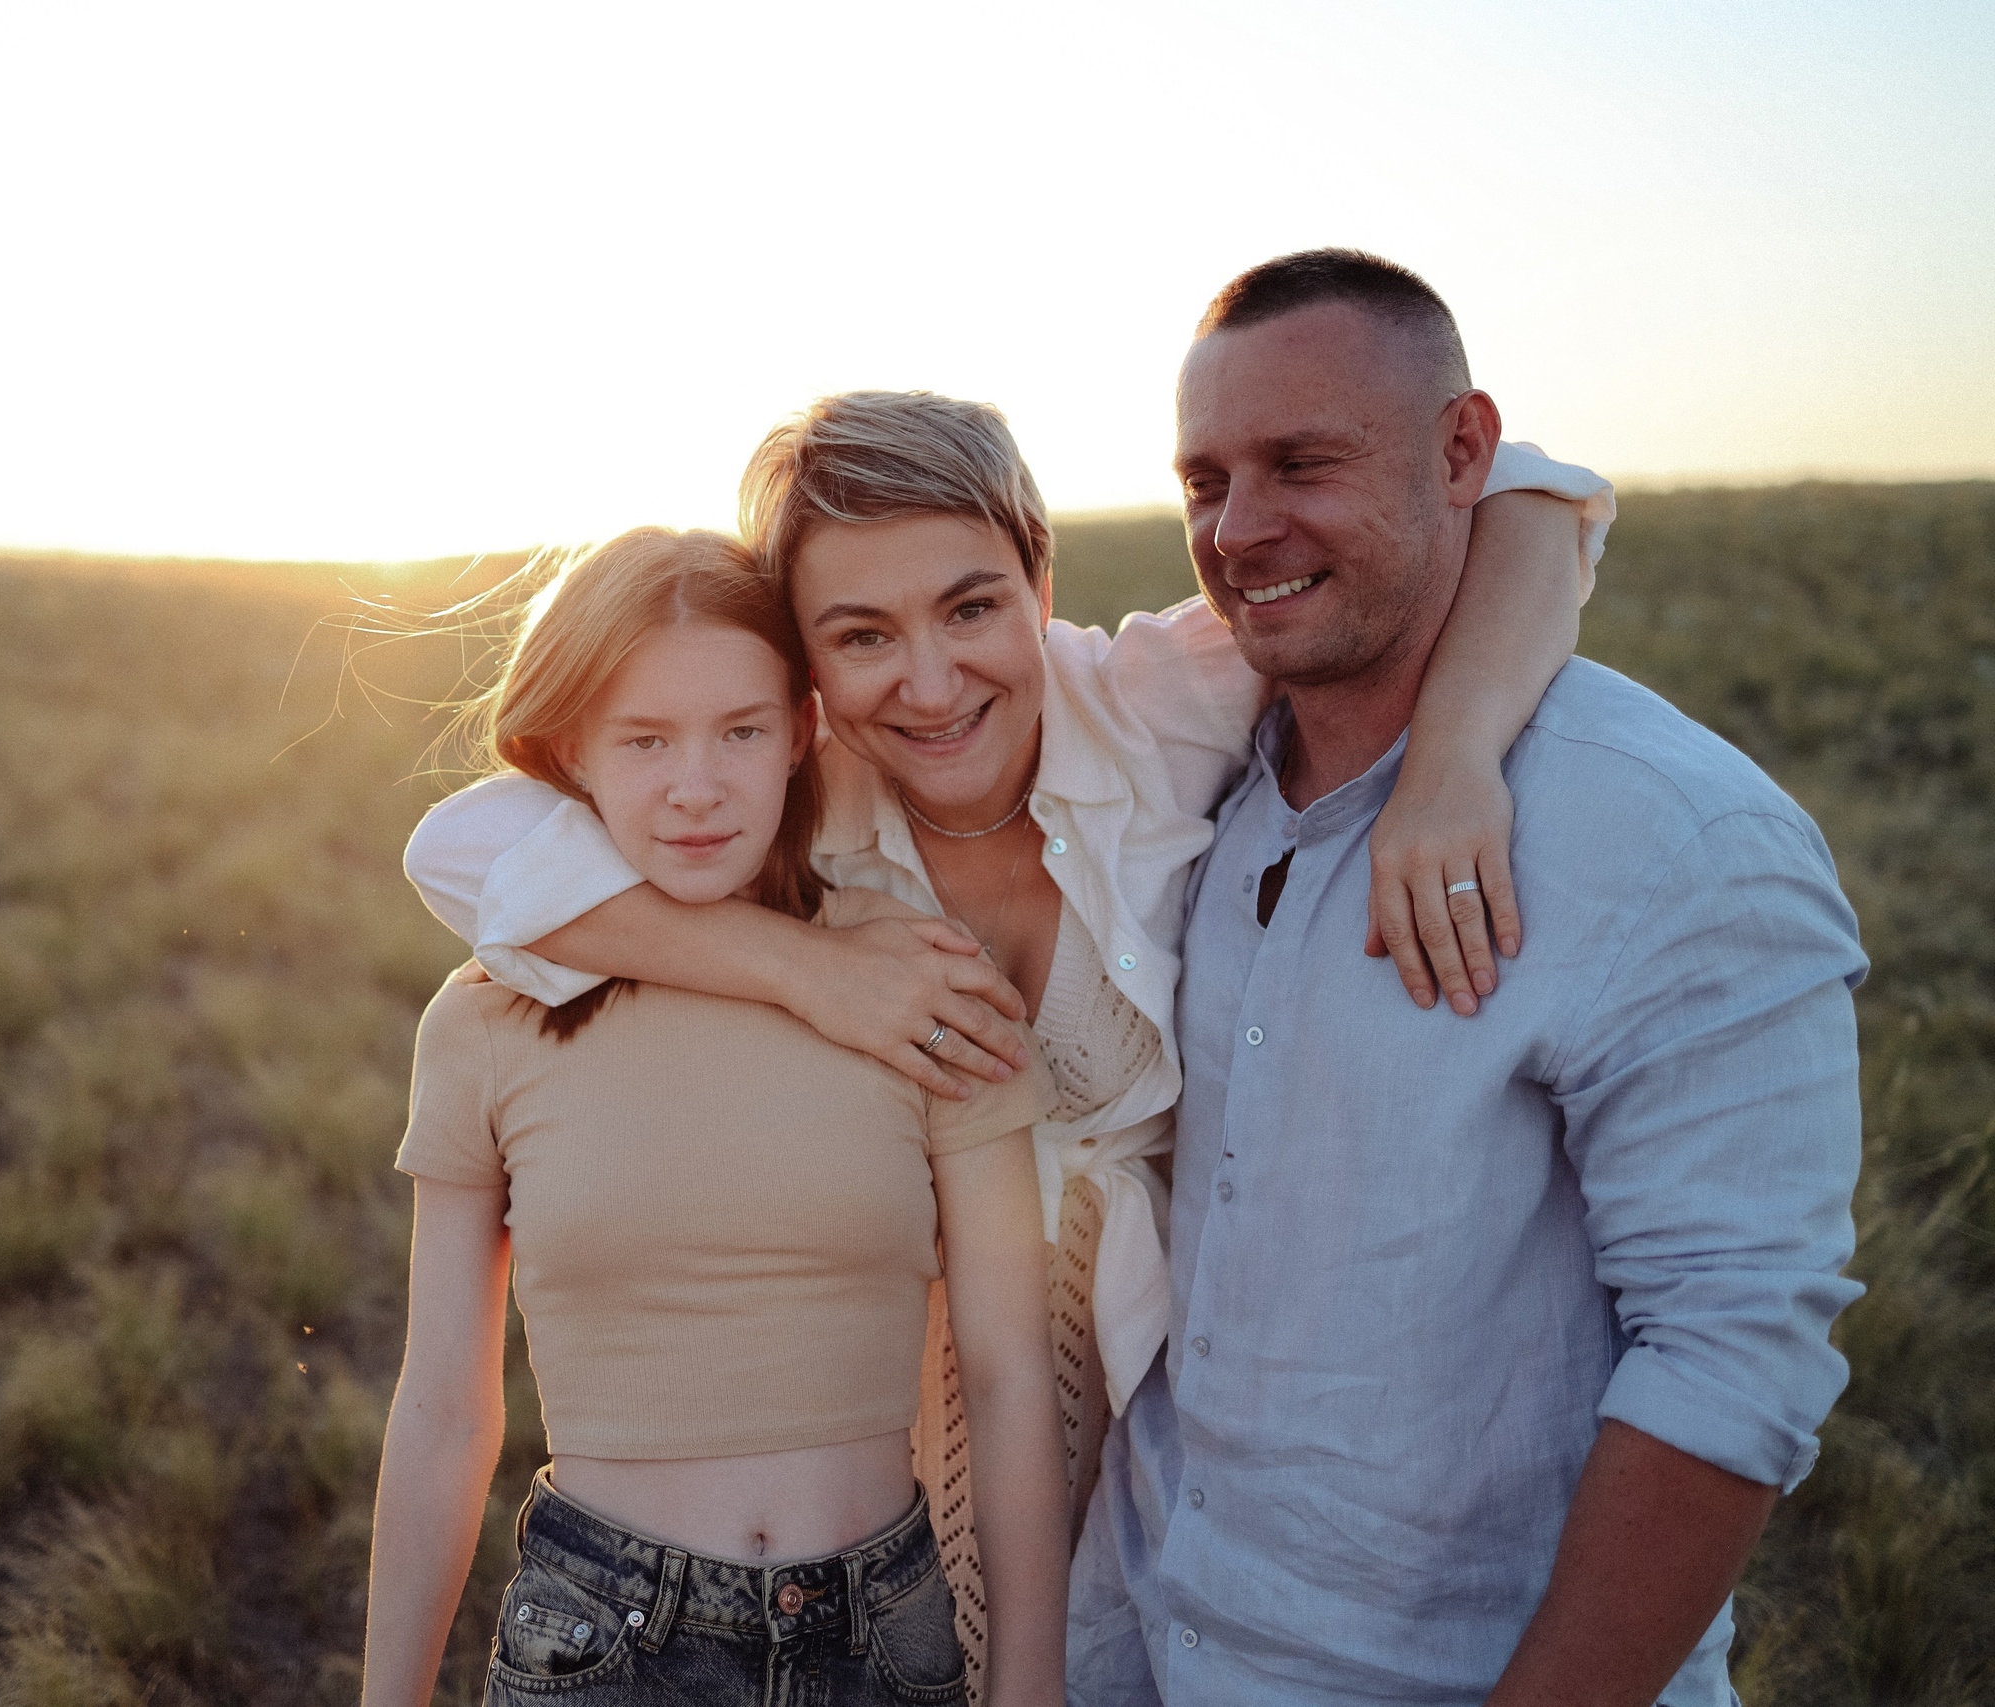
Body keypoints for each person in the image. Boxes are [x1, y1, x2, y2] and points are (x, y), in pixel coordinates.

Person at [403, 387, 1612, 1691]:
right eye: (861, 636)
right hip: (922, 1393)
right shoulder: (792, 788)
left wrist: (1452, 760)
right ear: (805, 670)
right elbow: (458, 845)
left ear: (1040, 578)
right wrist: (799, 963)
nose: (930, 684)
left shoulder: (1149, 700)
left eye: (972, 608)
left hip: (1197, 1344)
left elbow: (1524, 503)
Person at [1065, 249, 1866, 1704]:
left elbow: (1730, 1361)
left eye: (1302, 463)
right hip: (1145, 1642)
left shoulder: (1674, 839)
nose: (1237, 530)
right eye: (1203, 480)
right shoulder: (1193, 766)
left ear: (1459, 454)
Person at [361, 527, 1070, 1707]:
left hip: (881, 1641)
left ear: (801, 730)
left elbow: (1007, 1377)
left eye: (740, 731)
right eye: (644, 740)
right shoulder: (488, 1017)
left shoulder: (922, 984)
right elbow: (442, 1408)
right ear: (570, 752)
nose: (696, 788)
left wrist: (1030, 1686)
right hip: (602, 1642)